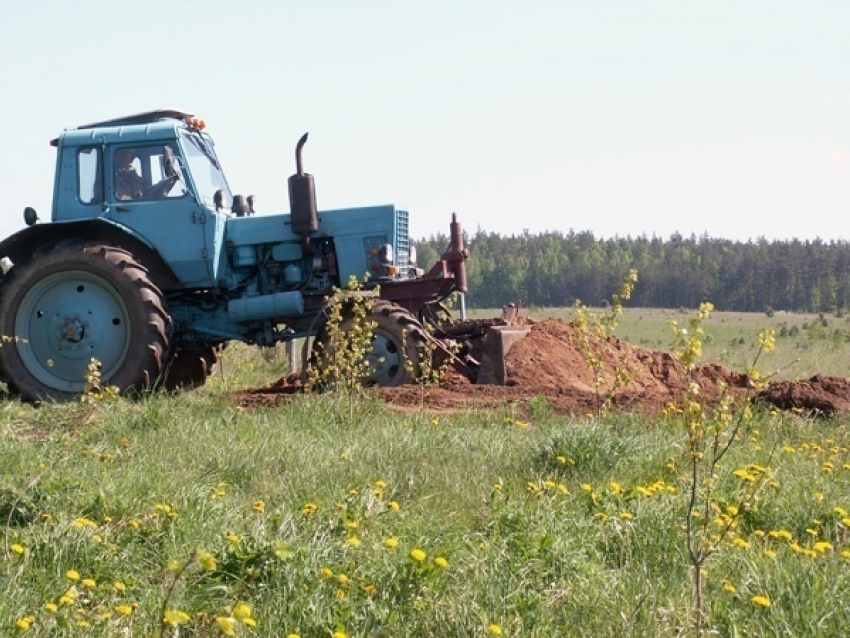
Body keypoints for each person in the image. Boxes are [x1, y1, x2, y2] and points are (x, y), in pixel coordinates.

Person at [114, 147, 179, 201]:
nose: (129, 158)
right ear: (118, 157)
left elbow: (149, 190)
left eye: (131, 155)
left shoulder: (133, 176)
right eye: (125, 155)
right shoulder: (115, 177)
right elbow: (123, 201)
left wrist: (168, 182)